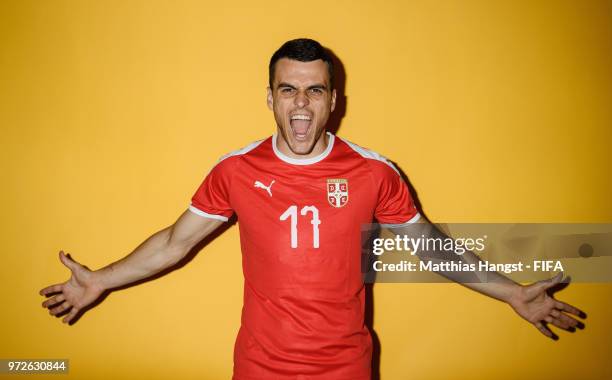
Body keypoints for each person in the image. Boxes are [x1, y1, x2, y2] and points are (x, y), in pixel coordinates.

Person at [40, 38, 585, 380]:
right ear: (270, 98)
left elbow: (432, 249)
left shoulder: (374, 172)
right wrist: (102, 281)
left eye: (315, 91)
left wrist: (513, 291)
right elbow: (173, 242)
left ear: (333, 100)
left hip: (346, 368)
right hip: (259, 368)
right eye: (288, 90)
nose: (301, 104)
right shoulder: (237, 169)